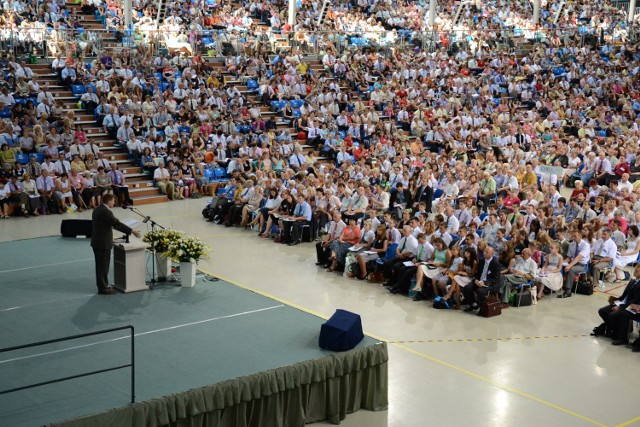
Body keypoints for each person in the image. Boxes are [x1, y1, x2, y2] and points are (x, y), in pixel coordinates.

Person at [90, 194, 141, 295]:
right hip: (103, 243)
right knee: (103, 267)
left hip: (97, 241)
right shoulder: (106, 211)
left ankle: (103, 286)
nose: (114, 203)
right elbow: (116, 223)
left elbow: (107, 223)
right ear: (108, 201)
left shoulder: (97, 209)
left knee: (100, 266)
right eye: (113, 201)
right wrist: (132, 231)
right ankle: (103, 288)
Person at [592, 264, 640, 348]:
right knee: (602, 311)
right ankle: (613, 330)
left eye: (637, 271)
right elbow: (624, 296)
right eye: (635, 270)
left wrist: (621, 307)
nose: (634, 272)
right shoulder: (633, 281)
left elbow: (635, 301)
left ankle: (622, 337)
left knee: (614, 315)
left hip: (632, 307)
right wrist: (617, 302)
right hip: (622, 302)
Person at [463, 246, 502, 313]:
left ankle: (482, 307)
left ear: (492, 254)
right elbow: (478, 274)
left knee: (480, 291)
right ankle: (472, 304)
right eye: (484, 251)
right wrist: (476, 280)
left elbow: (495, 279)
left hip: (490, 284)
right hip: (480, 281)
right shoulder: (481, 261)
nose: (484, 253)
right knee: (467, 288)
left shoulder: (496, 264)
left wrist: (484, 282)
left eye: (487, 252)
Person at [559, 229, 591, 298]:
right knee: (560, 266)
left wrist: (569, 266)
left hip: (582, 265)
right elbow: (569, 258)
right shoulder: (571, 245)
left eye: (575, 236)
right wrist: (561, 262)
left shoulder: (586, 245)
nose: (573, 238)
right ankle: (559, 285)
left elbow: (579, 257)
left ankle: (568, 291)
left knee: (571, 269)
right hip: (573, 263)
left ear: (580, 236)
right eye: (572, 236)